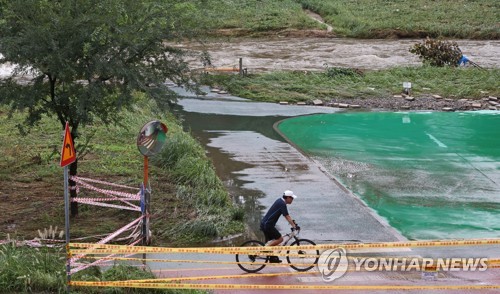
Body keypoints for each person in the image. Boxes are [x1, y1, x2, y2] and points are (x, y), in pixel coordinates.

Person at [260, 190, 299, 263]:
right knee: (280, 239)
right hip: (268, 225)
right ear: (287, 197)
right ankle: (265, 250)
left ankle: (272, 258)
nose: (292, 200)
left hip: (265, 224)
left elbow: (287, 216)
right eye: (292, 198)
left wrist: (293, 222)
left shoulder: (280, 201)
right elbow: (287, 216)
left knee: (272, 242)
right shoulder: (282, 204)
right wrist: (294, 226)